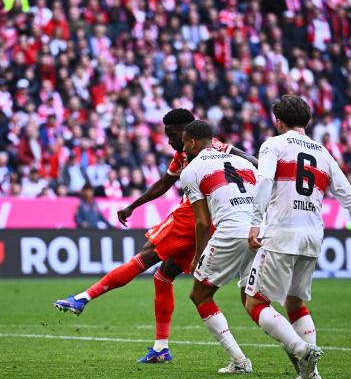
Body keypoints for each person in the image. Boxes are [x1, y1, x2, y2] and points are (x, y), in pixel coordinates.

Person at [54, 108, 257, 363]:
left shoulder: (213, 148)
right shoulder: (185, 153)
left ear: (187, 134)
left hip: (195, 216)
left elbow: (249, 159)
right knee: (164, 275)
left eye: (173, 135)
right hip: (209, 219)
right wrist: (133, 205)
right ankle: (161, 348)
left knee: (147, 254)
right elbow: (164, 183)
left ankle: (83, 297)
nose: (170, 141)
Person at [246, 95, 351, 379]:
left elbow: (263, 182)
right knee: (295, 301)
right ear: (307, 121)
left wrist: (254, 222)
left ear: (278, 121)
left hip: (281, 233)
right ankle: (311, 376)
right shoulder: (323, 153)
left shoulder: (273, 145)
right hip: (313, 236)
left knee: (255, 301)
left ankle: (302, 351)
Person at [179, 120, 257, 373]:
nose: (183, 149)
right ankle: (299, 348)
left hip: (231, 233)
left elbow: (203, 222)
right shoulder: (244, 163)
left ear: (191, 142)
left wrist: (198, 255)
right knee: (255, 301)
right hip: (260, 231)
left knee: (199, 295)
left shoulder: (192, 170)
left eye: (184, 144)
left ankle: (239, 360)